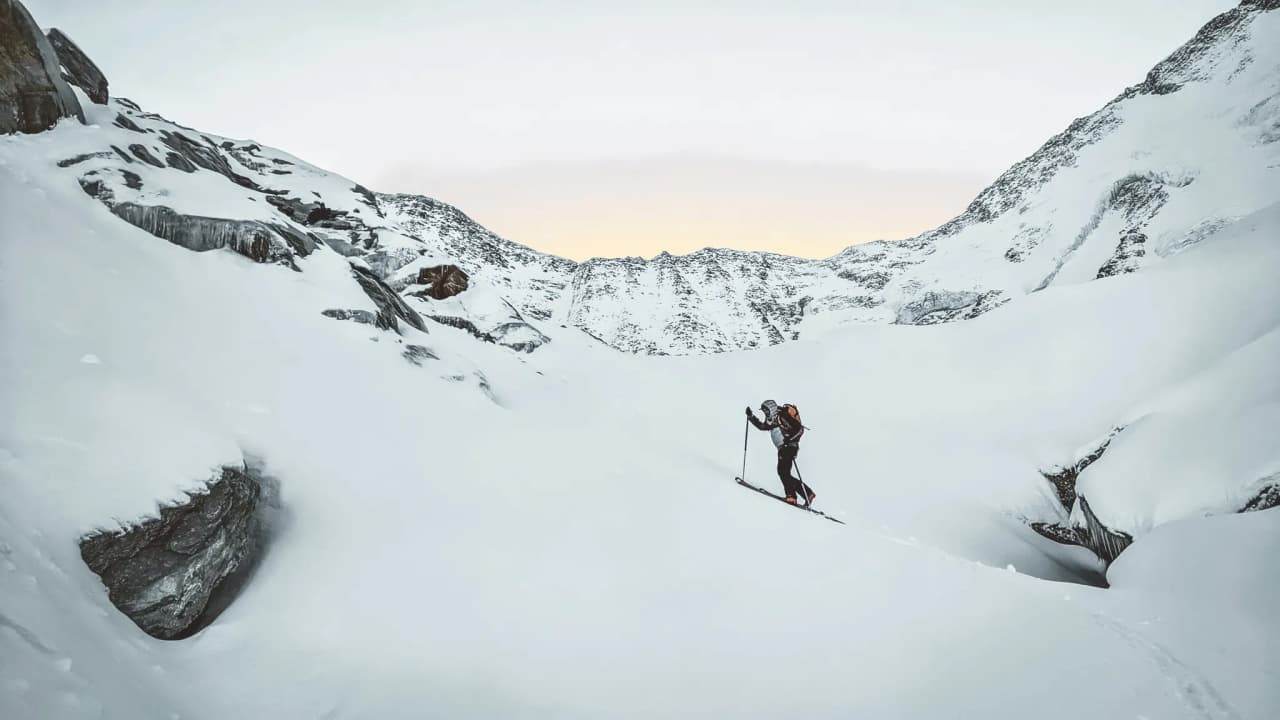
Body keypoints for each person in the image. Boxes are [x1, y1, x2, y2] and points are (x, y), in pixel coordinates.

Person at [745, 399, 815, 505]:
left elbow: (799, 429)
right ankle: (807, 493)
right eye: (764, 412)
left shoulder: (783, 416)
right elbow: (762, 426)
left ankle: (791, 496)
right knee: (785, 473)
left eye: (767, 411)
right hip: (784, 447)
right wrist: (751, 417)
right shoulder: (772, 420)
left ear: (772, 409)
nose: (766, 413)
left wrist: (789, 439)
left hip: (789, 447)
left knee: (783, 472)